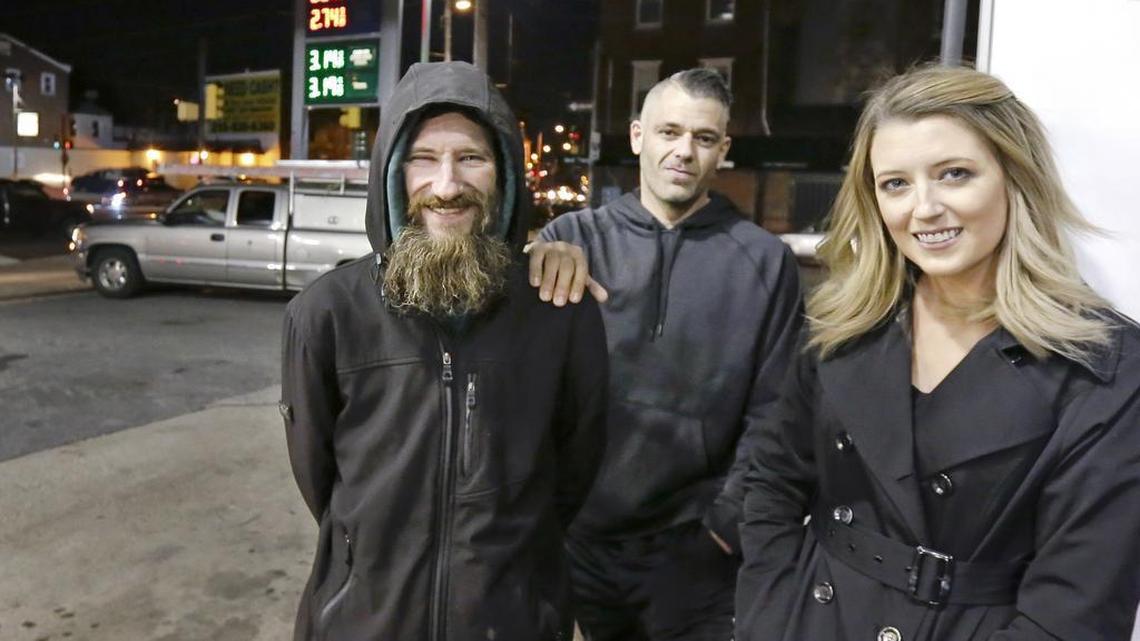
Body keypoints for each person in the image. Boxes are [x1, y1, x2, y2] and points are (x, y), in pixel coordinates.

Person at [736, 65, 1140, 641]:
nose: (923, 209)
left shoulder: (1107, 365)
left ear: (1014, 178)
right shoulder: (846, 320)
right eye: (895, 184)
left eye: (954, 174)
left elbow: (1078, 612)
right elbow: (772, 482)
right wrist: (770, 617)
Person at [280, 61, 609, 641]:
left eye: (472, 158)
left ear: (505, 173)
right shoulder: (326, 313)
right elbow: (321, 478)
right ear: (391, 172)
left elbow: (574, 470)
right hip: (362, 623)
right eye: (423, 159)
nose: (448, 185)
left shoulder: (560, 311)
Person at [531, 68, 803, 640]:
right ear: (637, 136)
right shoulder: (571, 242)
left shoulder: (764, 261)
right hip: (578, 541)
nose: (684, 151)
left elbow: (777, 410)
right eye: (668, 132)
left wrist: (724, 529)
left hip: (695, 550)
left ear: (723, 150)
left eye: (704, 138)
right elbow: (523, 387)